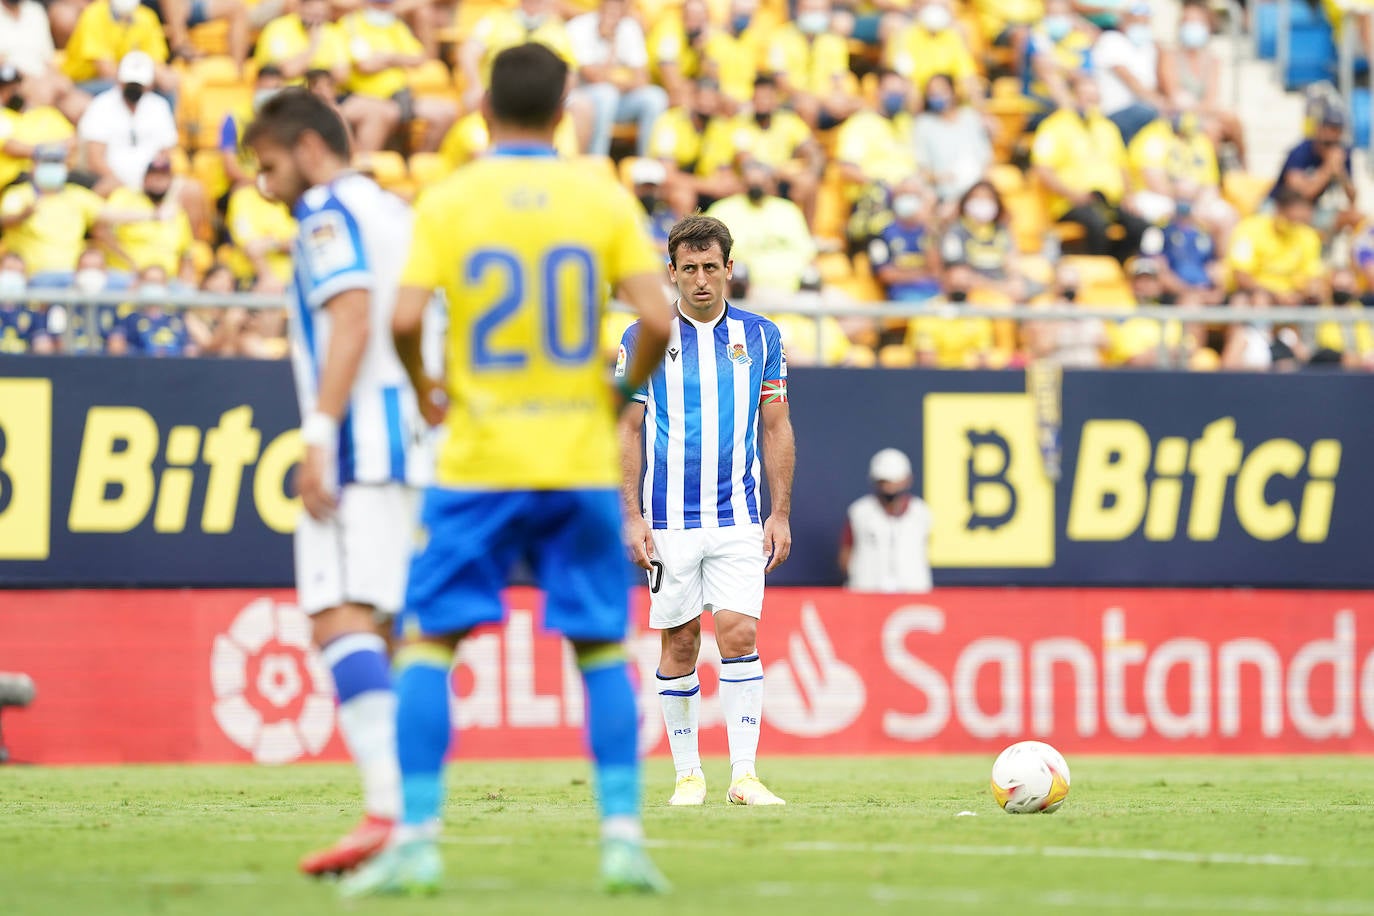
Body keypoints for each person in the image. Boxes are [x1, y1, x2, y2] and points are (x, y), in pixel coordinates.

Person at [340, 42, 673, 897]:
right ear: (567, 111)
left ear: (484, 110)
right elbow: (657, 321)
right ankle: (623, 840)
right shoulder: (598, 197)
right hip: (575, 459)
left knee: (429, 643)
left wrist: (427, 389)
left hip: (479, 460)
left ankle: (416, 839)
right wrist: (614, 397)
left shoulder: (452, 201)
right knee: (600, 648)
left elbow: (406, 318)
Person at [244, 88, 428, 879]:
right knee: (385, 630)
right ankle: (410, 823)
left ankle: (391, 815)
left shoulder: (325, 213)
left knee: (335, 615)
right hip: (411, 444)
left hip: (358, 445)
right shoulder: (395, 212)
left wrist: (317, 435)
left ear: (309, 150)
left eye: (269, 164)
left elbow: (351, 315)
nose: (263, 184)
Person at [618, 214, 794, 809]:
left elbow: (776, 425)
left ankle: (743, 774)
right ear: (671, 273)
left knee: (740, 634)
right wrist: (631, 514)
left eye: (710, 268)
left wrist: (781, 512)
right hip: (668, 522)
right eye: (688, 269)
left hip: (740, 516)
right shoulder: (644, 336)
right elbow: (628, 428)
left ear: (729, 270)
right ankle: (688, 775)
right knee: (682, 641)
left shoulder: (762, 336)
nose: (700, 280)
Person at [566, 0, 668, 157]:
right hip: (584, 99)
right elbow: (593, 76)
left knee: (655, 96)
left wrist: (618, 84)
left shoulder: (630, 27)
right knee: (606, 94)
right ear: (601, 5)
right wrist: (611, 45)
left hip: (619, 97)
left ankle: (647, 163)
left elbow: (643, 78)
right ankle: (596, 160)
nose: (615, 8)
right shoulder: (579, 26)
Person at [705, 160, 817, 296]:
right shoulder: (722, 210)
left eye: (761, 182)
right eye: (751, 182)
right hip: (744, 291)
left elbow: (809, 255)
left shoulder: (788, 210)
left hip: (795, 290)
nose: (756, 187)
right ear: (742, 182)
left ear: (771, 183)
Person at [77, 52, 179, 194]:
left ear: (149, 83)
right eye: (130, 83)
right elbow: (94, 159)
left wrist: (152, 181)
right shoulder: (100, 105)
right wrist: (121, 183)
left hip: (150, 184)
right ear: (119, 80)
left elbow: (165, 154)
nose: (134, 88)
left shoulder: (159, 106)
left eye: (138, 84)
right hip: (112, 181)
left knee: (190, 191)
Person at [839, 448, 932, 593]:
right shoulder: (860, 512)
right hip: (866, 593)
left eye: (894, 481)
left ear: (907, 479)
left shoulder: (921, 513)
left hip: (912, 594)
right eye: (884, 481)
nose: (889, 487)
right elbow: (846, 555)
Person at [1269, 107, 1360, 240]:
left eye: (1336, 132)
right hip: (1281, 206)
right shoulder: (1300, 151)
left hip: (1313, 209)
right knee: (1300, 214)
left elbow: (1352, 198)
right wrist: (1328, 169)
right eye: (1327, 142)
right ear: (1318, 130)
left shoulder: (1342, 153)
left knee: (1356, 218)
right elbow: (1301, 192)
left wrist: (1341, 172)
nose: (1331, 142)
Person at [1090, 2, 1164, 144]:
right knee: (1153, 114)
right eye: (1136, 21)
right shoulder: (1111, 40)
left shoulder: (1149, 48)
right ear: (1124, 21)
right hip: (1113, 113)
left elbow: (1152, 86)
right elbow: (1131, 81)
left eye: (1145, 22)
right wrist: (1161, 105)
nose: (1141, 26)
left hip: (1142, 110)